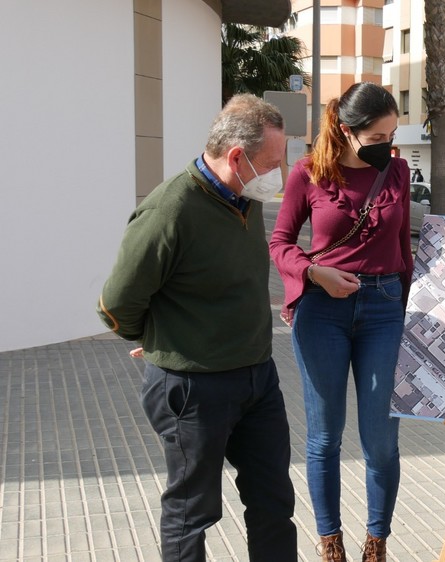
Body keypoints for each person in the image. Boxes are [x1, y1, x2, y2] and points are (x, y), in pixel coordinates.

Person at [97, 94, 296, 561]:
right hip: (193, 388)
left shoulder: (243, 199)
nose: (278, 176)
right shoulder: (170, 211)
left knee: (273, 503)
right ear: (235, 157)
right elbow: (118, 303)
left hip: (257, 379)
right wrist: (159, 339)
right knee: (192, 512)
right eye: (271, 163)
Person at [269, 82, 412, 562]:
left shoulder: (398, 172)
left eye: (392, 136)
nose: (387, 148)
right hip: (322, 311)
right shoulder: (307, 173)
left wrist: (410, 308)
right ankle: (331, 544)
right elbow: (280, 242)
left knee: (381, 441)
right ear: (347, 131)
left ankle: (377, 543)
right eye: (376, 138)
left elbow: (404, 249)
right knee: (325, 437)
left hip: (383, 307)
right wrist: (312, 274)